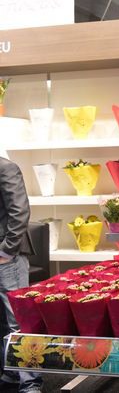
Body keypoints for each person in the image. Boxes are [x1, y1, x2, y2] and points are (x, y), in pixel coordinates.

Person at [0, 157, 43, 393]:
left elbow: (19, 211)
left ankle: (30, 382)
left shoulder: (5, 167)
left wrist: (6, 251)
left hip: (8, 259)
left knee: (18, 320)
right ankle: (11, 373)